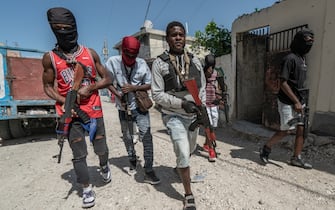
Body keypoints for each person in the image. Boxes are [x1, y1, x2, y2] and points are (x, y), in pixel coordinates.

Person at [42, 7, 112, 208]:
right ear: (54, 30)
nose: (65, 32)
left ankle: (104, 164)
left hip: (94, 109)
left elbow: (108, 78)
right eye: (59, 29)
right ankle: (86, 188)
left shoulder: (89, 53)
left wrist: (91, 87)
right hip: (71, 114)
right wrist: (65, 102)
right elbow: (47, 86)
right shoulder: (50, 58)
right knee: (78, 153)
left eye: (68, 28)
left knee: (101, 148)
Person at [151, 21, 206, 210]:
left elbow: (203, 87)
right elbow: (157, 94)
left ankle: (179, 167)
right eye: (174, 35)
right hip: (173, 115)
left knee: (189, 149)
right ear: (167, 38)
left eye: (181, 35)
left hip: (193, 116)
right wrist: (182, 103)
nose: (178, 38)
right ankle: (188, 194)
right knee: (183, 151)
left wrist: (200, 107)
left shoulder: (195, 60)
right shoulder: (159, 63)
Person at [105, 36, 160, 185]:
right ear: (122, 51)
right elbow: (107, 82)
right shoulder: (112, 62)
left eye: (134, 55)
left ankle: (149, 170)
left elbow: (150, 84)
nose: (131, 58)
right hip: (123, 107)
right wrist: (118, 95)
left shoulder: (142, 64)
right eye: (128, 54)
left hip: (140, 107)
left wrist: (134, 88)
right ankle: (132, 160)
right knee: (128, 136)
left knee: (146, 136)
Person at [259, 29, 314, 169]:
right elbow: (282, 82)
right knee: (286, 130)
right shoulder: (289, 59)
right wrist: (295, 101)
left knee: (301, 130)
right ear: (299, 42)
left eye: (311, 41)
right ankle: (266, 148)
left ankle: (296, 158)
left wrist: (300, 101)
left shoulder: (302, 59)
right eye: (307, 41)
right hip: (287, 102)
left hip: (300, 101)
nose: (310, 44)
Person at [202, 54, 220, 161]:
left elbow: (218, 86)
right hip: (204, 103)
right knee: (209, 127)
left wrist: (219, 96)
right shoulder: (201, 73)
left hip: (214, 103)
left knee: (213, 125)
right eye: (209, 65)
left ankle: (206, 144)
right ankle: (211, 150)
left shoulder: (216, 73)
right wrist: (205, 75)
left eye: (212, 66)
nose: (211, 68)